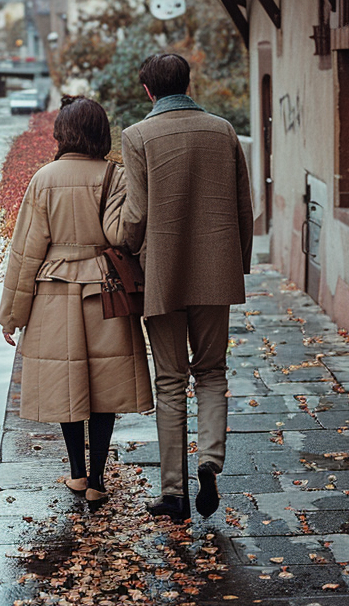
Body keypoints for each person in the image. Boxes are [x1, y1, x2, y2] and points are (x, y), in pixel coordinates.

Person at [0, 94, 153, 506]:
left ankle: (77, 474)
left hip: (53, 292)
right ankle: (100, 480)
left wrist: (10, 316)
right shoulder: (114, 177)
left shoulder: (43, 179)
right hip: (104, 290)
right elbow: (121, 235)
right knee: (105, 388)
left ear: (62, 134)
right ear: (103, 133)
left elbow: (25, 252)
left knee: (67, 385)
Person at [121, 53, 253, 522]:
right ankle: (210, 460)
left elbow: (135, 216)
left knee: (171, 380)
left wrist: (123, 244)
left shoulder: (137, 136)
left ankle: (173, 493)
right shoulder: (223, 130)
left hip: (163, 273)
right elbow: (243, 207)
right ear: (187, 82)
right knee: (213, 372)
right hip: (217, 272)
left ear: (148, 92)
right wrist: (237, 264)